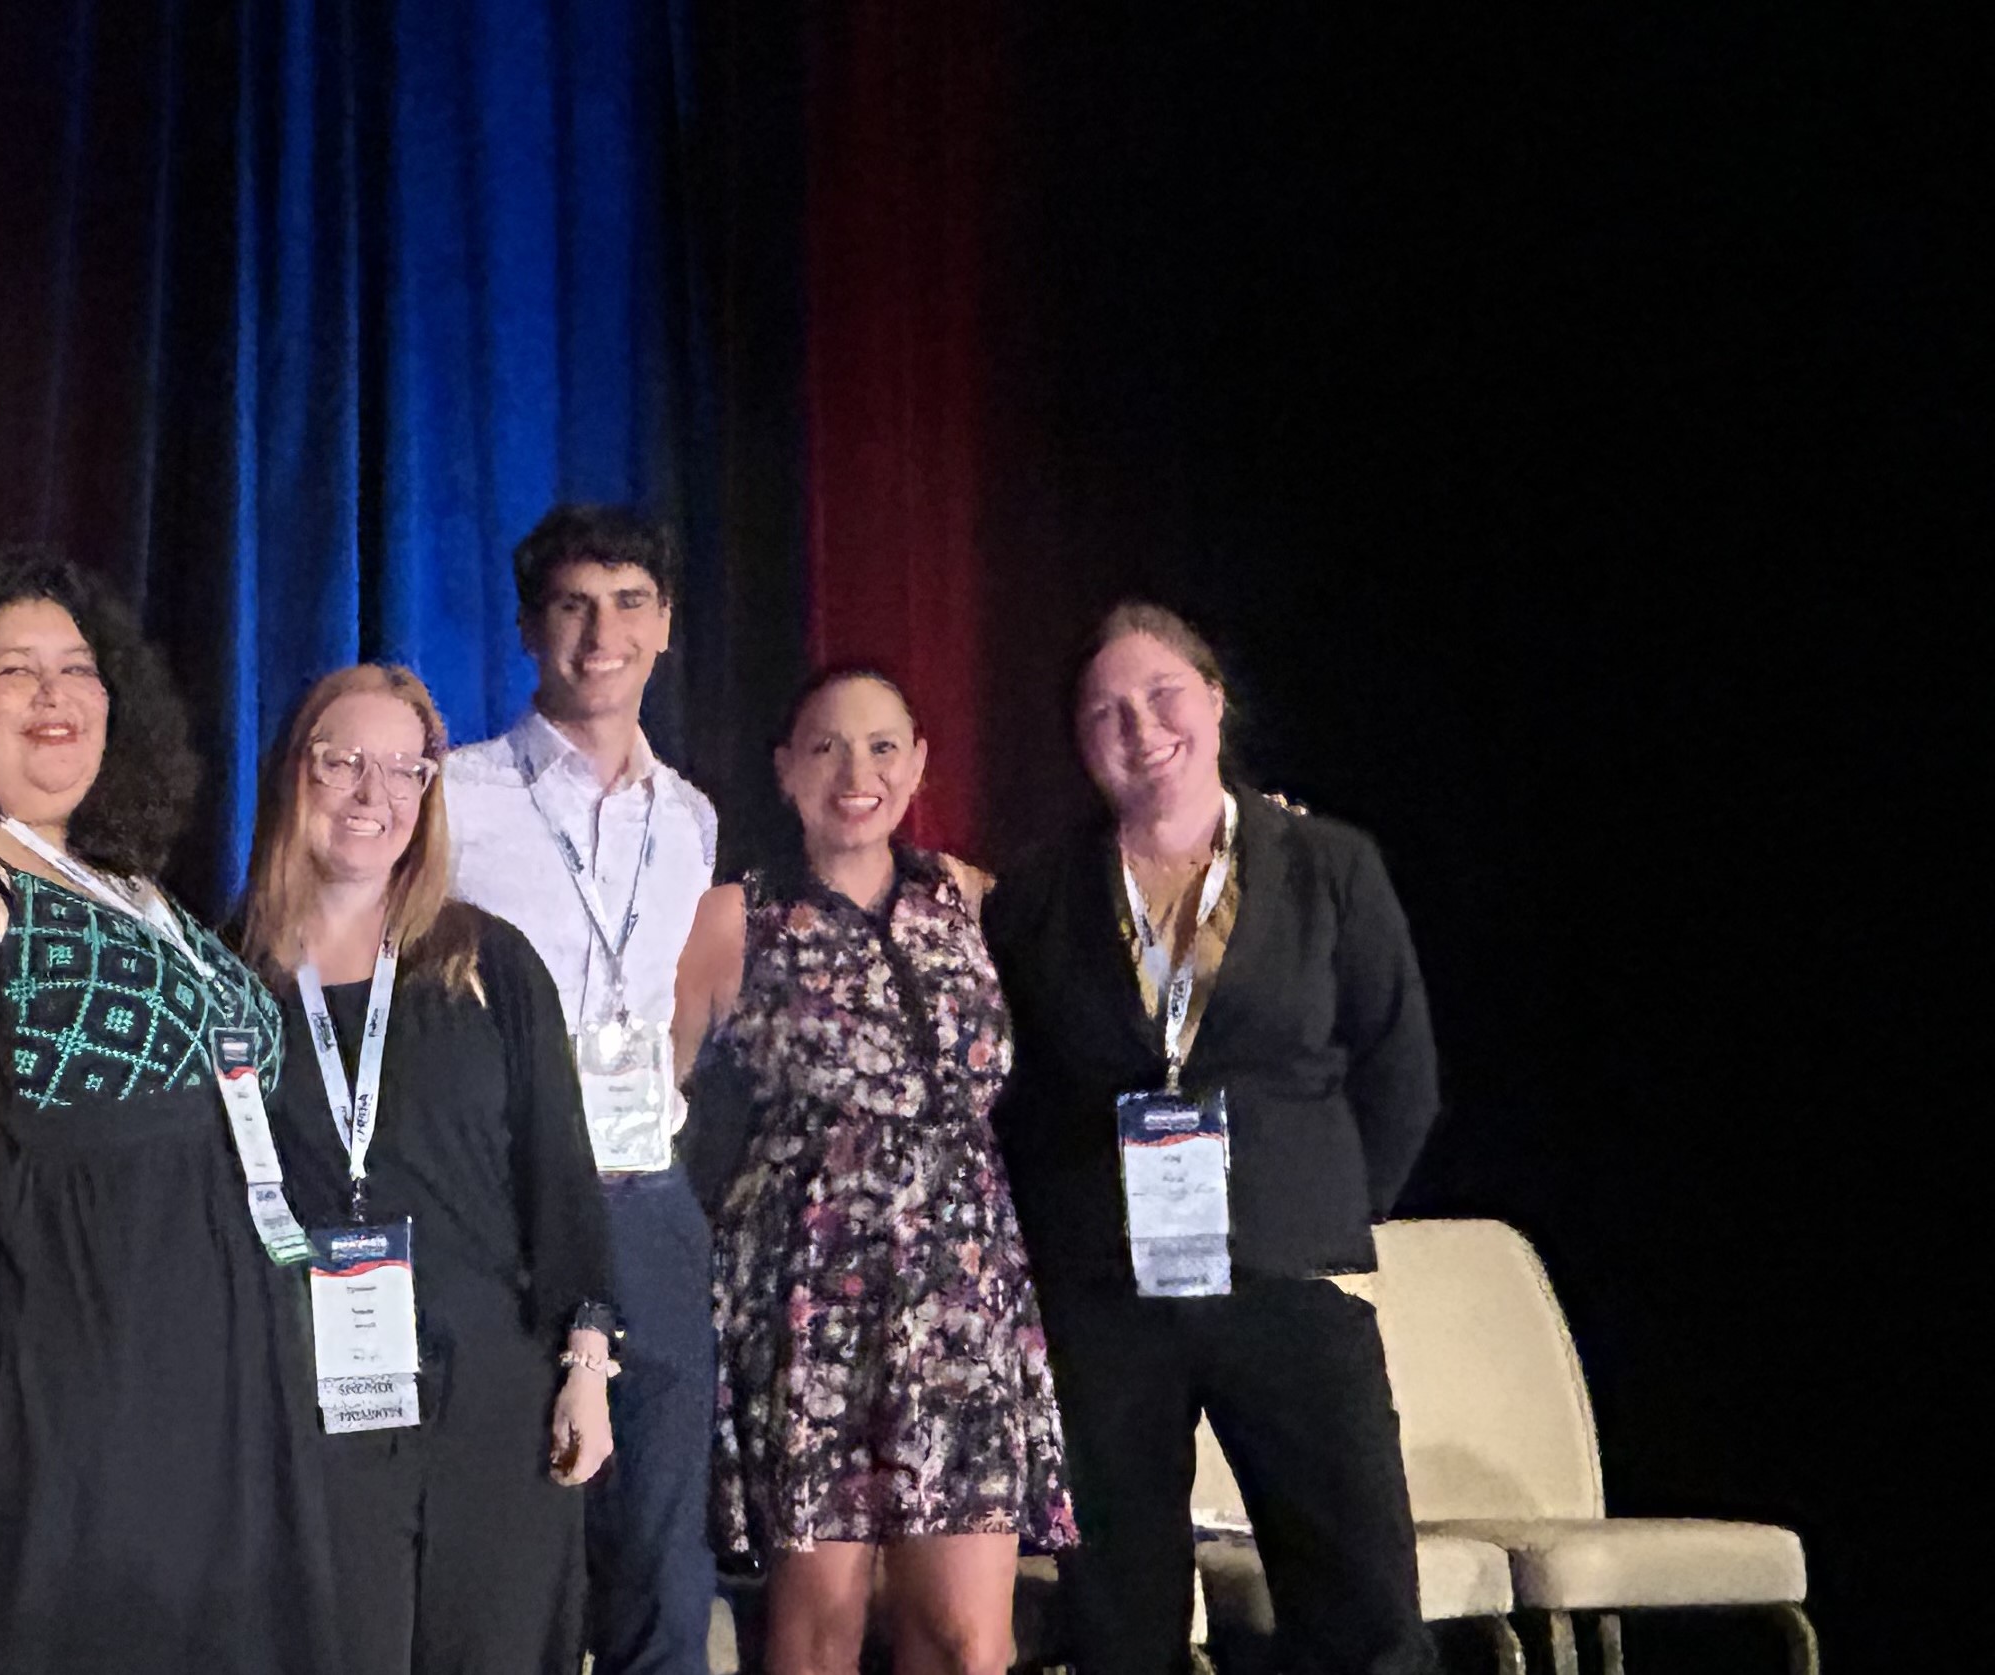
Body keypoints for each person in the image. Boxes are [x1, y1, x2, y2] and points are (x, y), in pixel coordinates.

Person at [0, 548, 343, 1675]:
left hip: (213, 1390)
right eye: (14, 671)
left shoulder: (133, 882)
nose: (55, 696)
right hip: (60, 1384)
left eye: (78, 670)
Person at [984, 603, 1441, 1675]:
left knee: (1362, 1606)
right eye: (1105, 713)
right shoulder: (1036, 899)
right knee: (1121, 1618)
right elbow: (1019, 1100)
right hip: (1107, 1304)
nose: (1140, 728)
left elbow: (1401, 1070)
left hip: (1288, 1279)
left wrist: (1316, 1206)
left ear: (1216, 701)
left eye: (1161, 696)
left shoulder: (1329, 864)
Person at [671, 669, 1070, 1675]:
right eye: (827, 747)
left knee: (969, 1637)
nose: (858, 772)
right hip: (813, 1297)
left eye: (884, 746)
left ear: (920, 762)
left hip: (962, 1293)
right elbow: (644, 1107)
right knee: (822, 1622)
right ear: (785, 770)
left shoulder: (975, 901)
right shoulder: (735, 916)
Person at [235, 662, 622, 1675]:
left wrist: (586, 1370)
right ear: (292, 775)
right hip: (309, 1401)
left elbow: (563, 1184)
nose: (375, 795)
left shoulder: (492, 965)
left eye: (406, 771)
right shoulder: (226, 973)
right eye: (345, 763)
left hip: (491, 1398)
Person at [439, 504, 723, 1675]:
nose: (600, 632)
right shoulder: (452, 795)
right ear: (527, 627)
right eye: (571, 605)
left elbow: (680, 1016)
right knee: (522, 1543)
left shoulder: (693, 817)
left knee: (662, 1557)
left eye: (628, 603)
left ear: (663, 626)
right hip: (504, 1207)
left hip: (650, 1201)